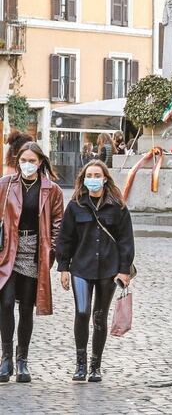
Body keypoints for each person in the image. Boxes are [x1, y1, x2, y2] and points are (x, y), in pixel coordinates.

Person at [57, 160, 134, 382]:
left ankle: (95, 366)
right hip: (81, 267)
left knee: (99, 317)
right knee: (82, 312)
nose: (93, 179)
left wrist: (124, 270)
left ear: (105, 178)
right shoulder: (75, 206)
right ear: (83, 179)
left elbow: (126, 241)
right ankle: (80, 364)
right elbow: (65, 238)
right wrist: (63, 267)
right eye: (89, 175)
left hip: (109, 270)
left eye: (97, 175)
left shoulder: (118, 207)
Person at [0, 142, 64, 383]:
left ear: (40, 162)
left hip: (34, 251)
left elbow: (58, 222)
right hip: (8, 250)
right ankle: (6, 358)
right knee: (6, 303)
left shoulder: (52, 189)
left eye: (32, 161)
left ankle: (22, 361)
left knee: (26, 307)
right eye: (23, 160)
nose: (27, 165)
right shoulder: (5, 184)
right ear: (18, 162)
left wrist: (51, 251)